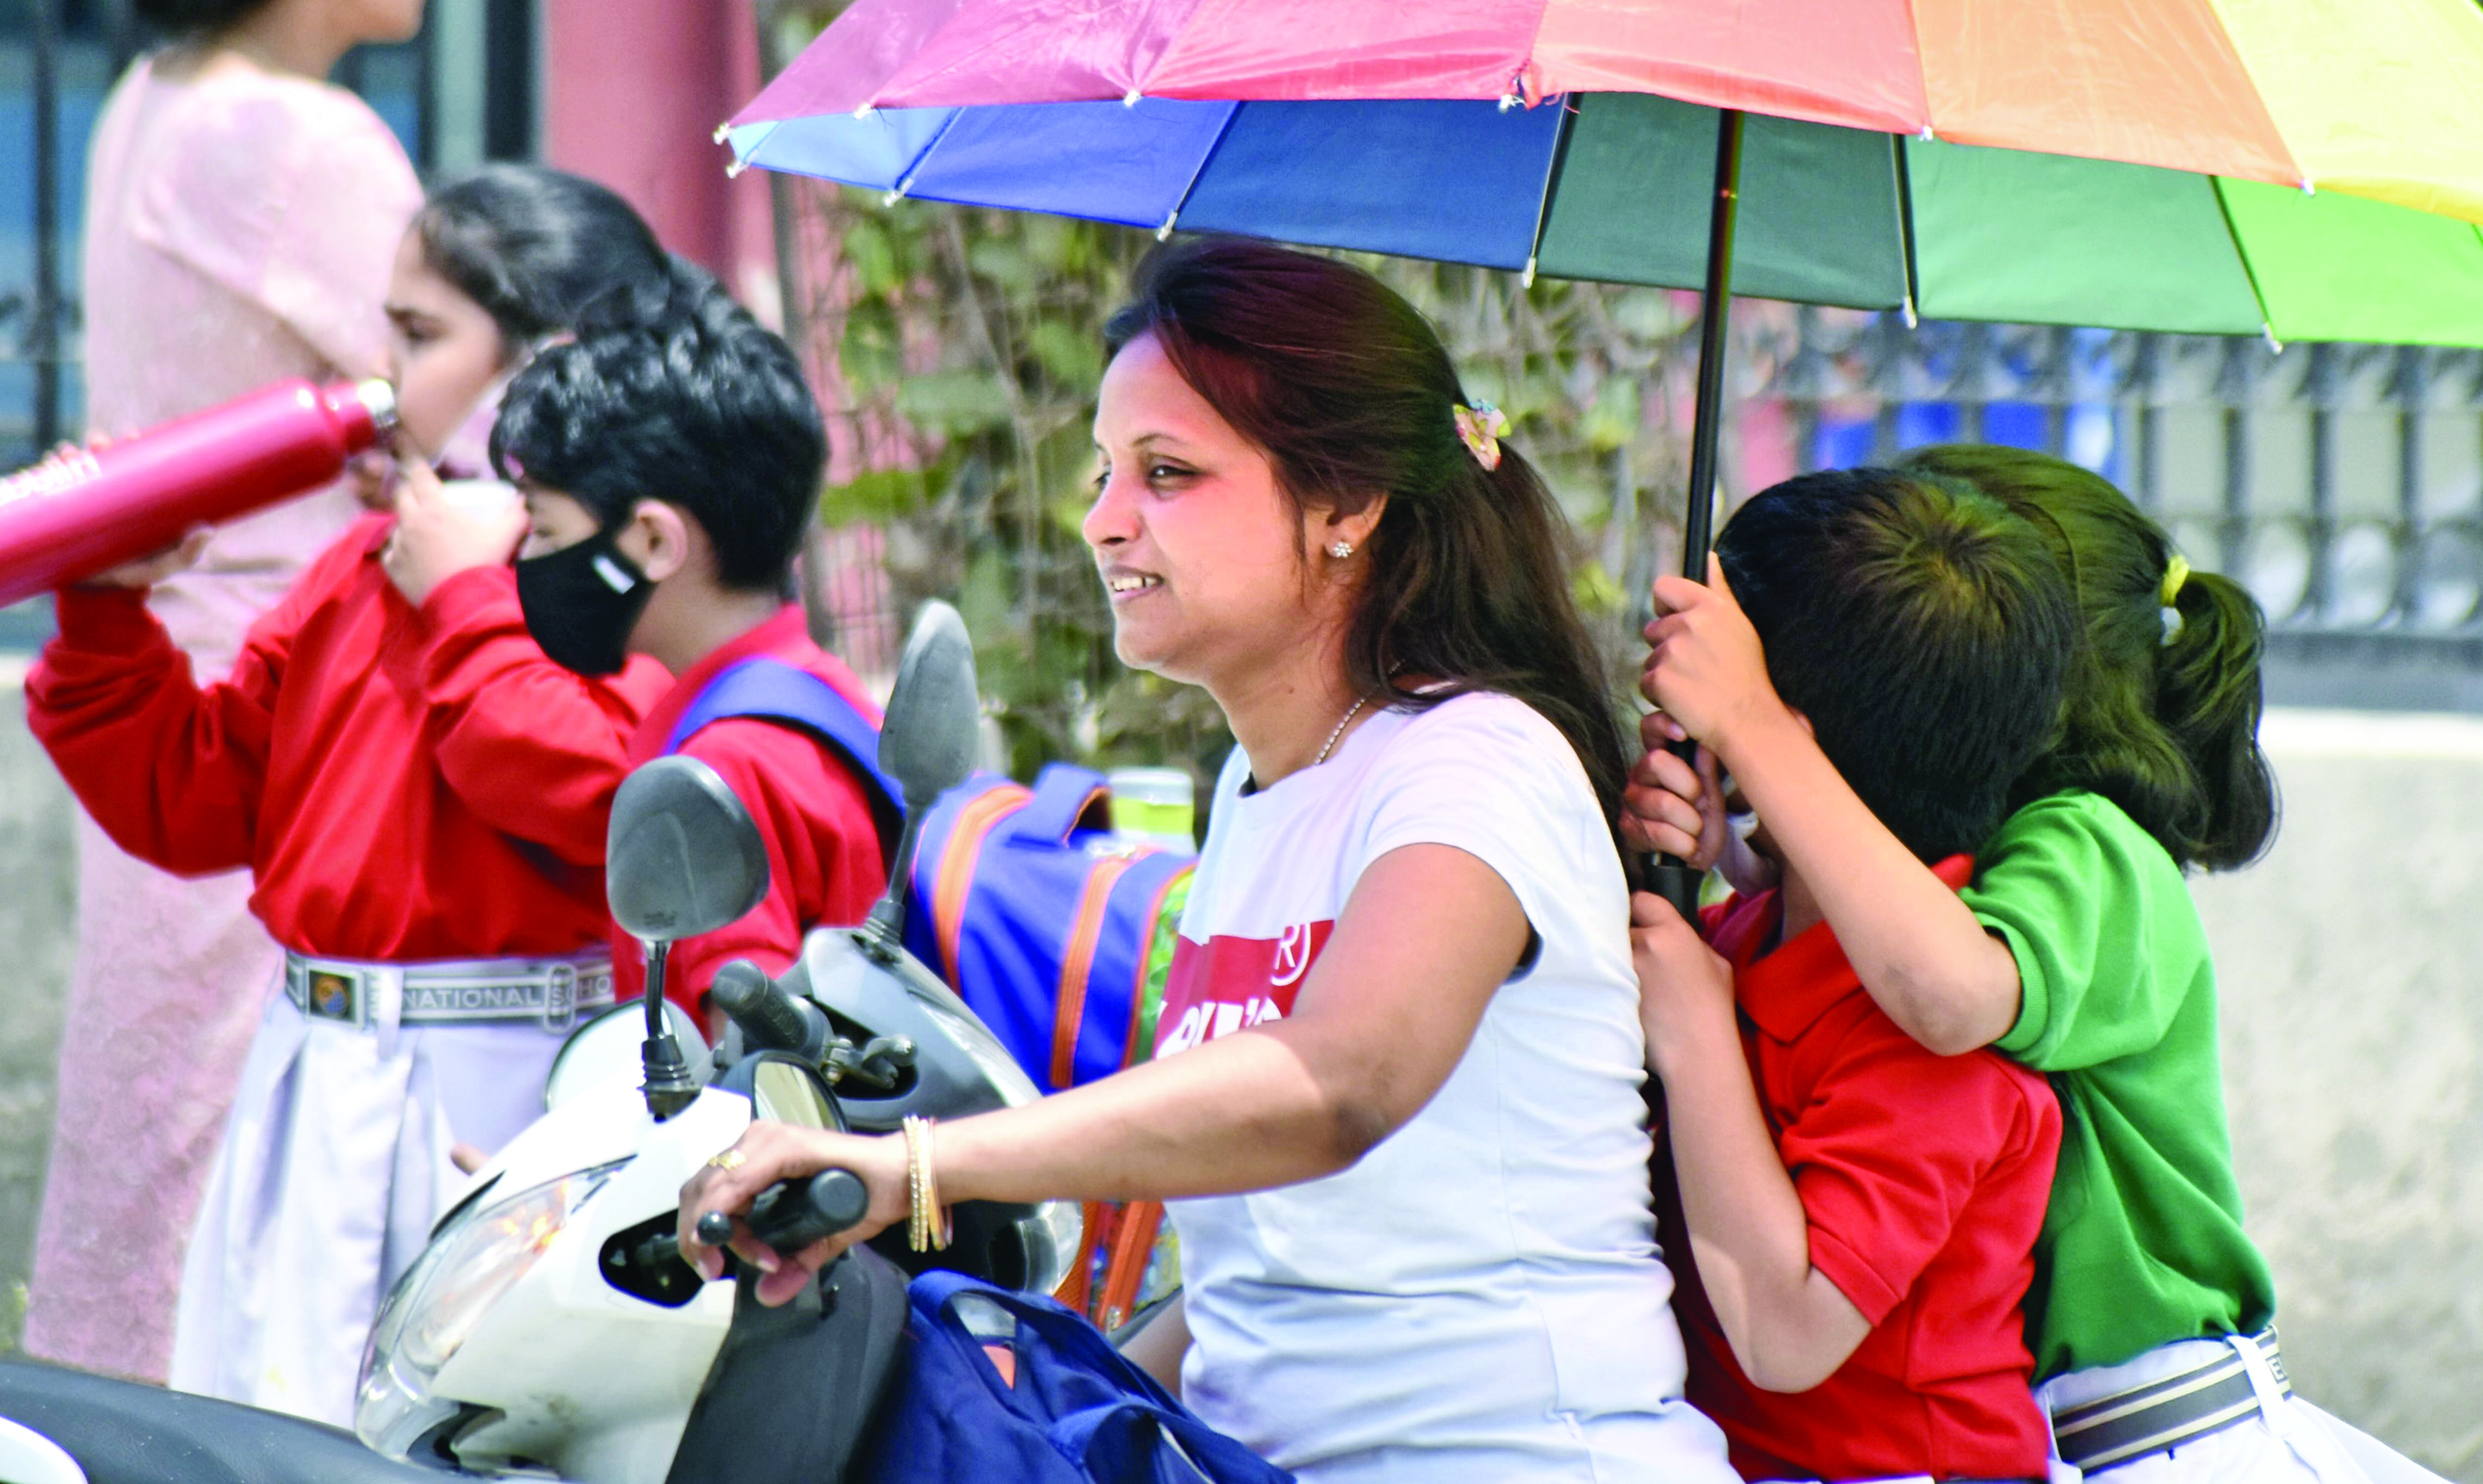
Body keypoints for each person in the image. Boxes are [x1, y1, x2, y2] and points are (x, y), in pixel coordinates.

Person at [678, 239, 1737, 1484]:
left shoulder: (1473, 765)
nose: (1103, 520)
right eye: (1105, 472)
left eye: (1169, 474)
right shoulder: (1258, 788)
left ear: (1346, 507)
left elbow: (1342, 1081)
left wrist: (908, 1168)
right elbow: (1267, 1286)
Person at [1628, 443, 2446, 1484]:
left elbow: (1949, 991)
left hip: (2163, 1434)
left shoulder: (2093, 844)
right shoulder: (1973, 849)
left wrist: (1750, 729)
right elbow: (1881, 914)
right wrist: (1747, 855)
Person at [26, 166, 676, 1426]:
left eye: (423, 337)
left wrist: (470, 598)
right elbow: (202, 798)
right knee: (275, 1433)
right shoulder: (357, 564)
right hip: (310, 1076)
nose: (383, 379)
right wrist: (106, 608)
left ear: (552, 354)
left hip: (498, 1079)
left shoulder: (609, 582)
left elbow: (601, 791)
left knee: (461, 1434)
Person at [29, 0, 438, 1384]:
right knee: (250, 1128)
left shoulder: (151, 98)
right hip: (285, 683)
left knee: (149, 1108)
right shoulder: (308, 143)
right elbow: (457, 403)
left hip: (160, 656)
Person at [1627, 467, 2075, 1482]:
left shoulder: (1929, 1038)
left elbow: (1787, 1333)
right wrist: (1724, 865)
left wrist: (1696, 1041)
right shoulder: (1753, 930)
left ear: (1780, 737)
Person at [457, 271, 890, 1022]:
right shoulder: (819, 692)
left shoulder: (719, 775)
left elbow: (742, 1076)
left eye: (548, 531)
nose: (528, 558)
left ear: (653, 539)